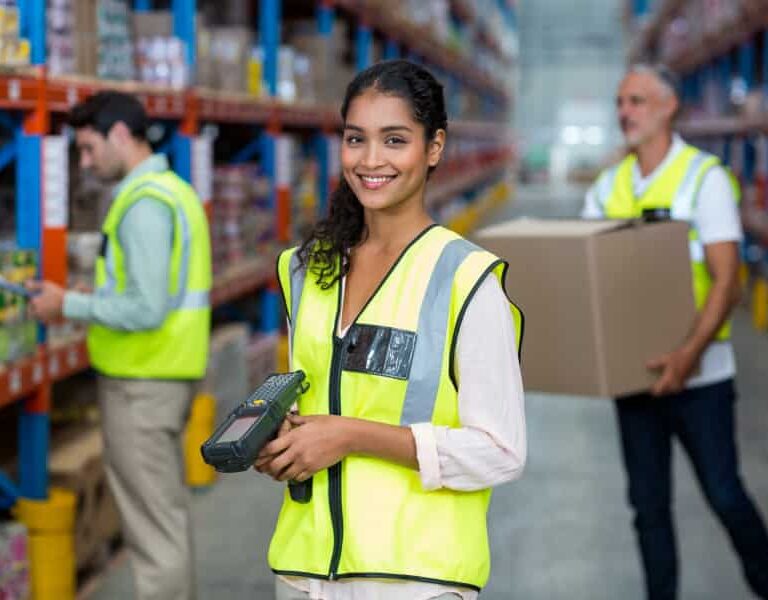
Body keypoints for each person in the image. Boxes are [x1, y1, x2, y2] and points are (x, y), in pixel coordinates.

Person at [254, 60, 527, 600]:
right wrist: (285, 440)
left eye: (394, 140)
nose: (371, 160)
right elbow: (317, 395)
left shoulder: (465, 280)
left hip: (414, 579)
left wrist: (351, 435)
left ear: (434, 148)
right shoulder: (308, 270)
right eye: (356, 139)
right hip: (304, 572)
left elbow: (500, 451)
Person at [583, 64, 768, 600]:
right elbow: (585, 274)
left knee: (725, 494)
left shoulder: (703, 178)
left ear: (669, 106)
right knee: (648, 507)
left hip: (702, 377)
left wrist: (687, 357)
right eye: (620, 102)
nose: (625, 112)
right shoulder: (607, 186)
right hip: (633, 376)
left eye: (637, 101)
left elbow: (728, 279)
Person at [29, 91, 211, 600]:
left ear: (120, 135)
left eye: (88, 150)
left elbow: (148, 307)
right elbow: (153, 288)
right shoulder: (168, 190)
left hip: (144, 382)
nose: (86, 164)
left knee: (155, 533)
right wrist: (100, 295)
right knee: (162, 519)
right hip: (159, 375)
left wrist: (68, 305)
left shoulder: (145, 203)